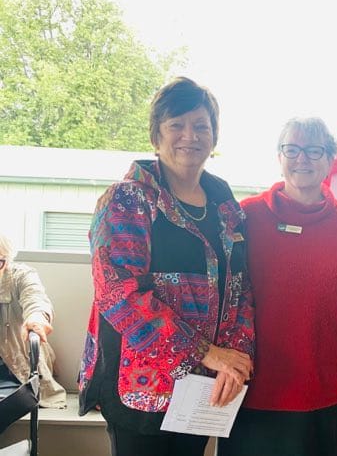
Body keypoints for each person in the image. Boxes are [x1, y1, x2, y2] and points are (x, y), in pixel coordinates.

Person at [78, 77, 255, 456]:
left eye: (201, 126)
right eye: (176, 125)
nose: (189, 135)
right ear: (156, 136)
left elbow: (242, 290)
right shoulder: (128, 199)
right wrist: (207, 353)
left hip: (206, 389)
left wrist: (235, 362)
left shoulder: (226, 205)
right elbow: (118, 295)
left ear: (214, 136)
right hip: (141, 392)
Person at [219, 117, 337, 456]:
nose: (302, 159)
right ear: (279, 156)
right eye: (292, 149)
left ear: (331, 159)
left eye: (314, 150)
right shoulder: (245, 217)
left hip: (328, 398)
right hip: (253, 397)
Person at [0, 234, 67, 409]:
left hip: (13, 371)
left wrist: (36, 317)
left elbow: (35, 298)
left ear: (7, 260)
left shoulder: (20, 275)